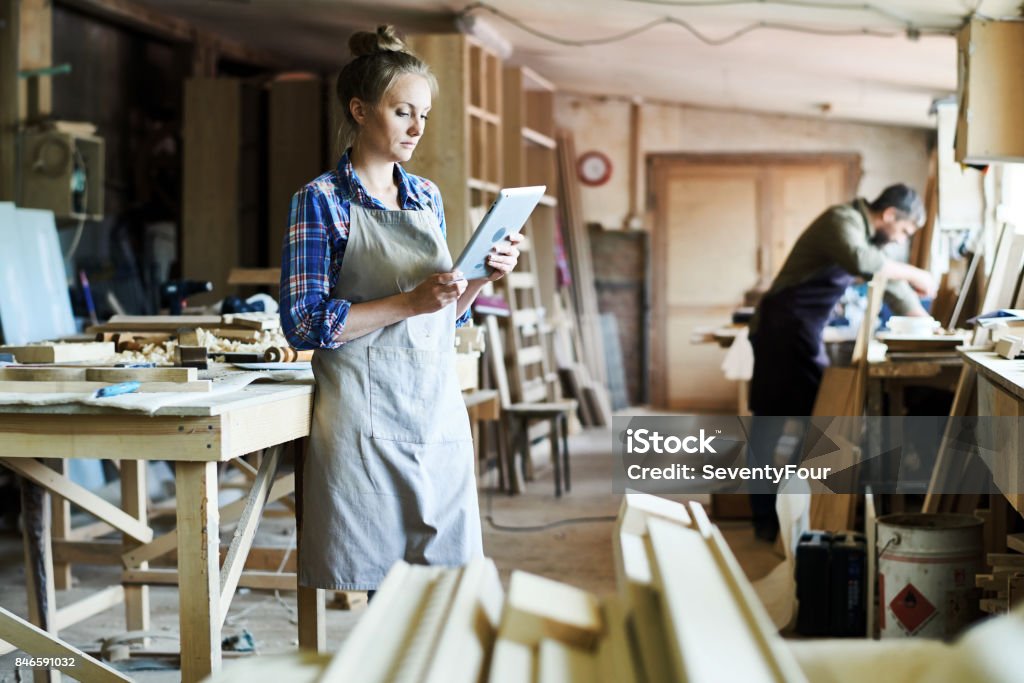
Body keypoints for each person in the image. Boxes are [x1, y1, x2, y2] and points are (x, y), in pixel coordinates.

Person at [279, 25, 522, 592]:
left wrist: (480, 280)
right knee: (372, 583)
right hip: (362, 419)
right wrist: (410, 300)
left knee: (448, 584)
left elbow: (447, 318)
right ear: (361, 111)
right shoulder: (320, 201)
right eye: (402, 112)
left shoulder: (426, 196)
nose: (416, 128)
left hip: (434, 411)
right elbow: (305, 323)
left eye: (424, 115)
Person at [747, 183, 936, 541]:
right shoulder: (842, 221)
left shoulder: (870, 239)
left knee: (815, 423)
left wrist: (921, 321)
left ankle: (789, 509)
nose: (900, 239)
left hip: (801, 334)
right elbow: (863, 262)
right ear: (889, 215)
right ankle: (765, 519)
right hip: (778, 332)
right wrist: (914, 272)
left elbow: (885, 280)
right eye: (905, 231)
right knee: (771, 429)